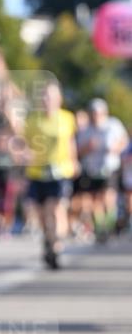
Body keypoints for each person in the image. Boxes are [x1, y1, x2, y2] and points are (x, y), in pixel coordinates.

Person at [23, 81, 78, 269]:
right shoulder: (32, 120)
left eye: (50, 96)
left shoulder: (67, 118)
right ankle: (48, 239)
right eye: (44, 96)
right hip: (37, 172)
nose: (47, 100)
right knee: (41, 214)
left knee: (55, 209)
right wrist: (24, 153)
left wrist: (74, 161)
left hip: (60, 171)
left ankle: (56, 246)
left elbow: (70, 142)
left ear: (59, 98)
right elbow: (23, 143)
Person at [75, 98, 128, 242]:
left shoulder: (113, 124)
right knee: (95, 200)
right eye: (93, 113)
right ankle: (100, 227)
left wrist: (116, 148)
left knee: (109, 197)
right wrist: (88, 147)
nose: (96, 116)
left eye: (98, 113)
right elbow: (78, 150)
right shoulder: (86, 130)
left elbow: (124, 140)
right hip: (92, 169)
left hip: (110, 167)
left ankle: (109, 225)